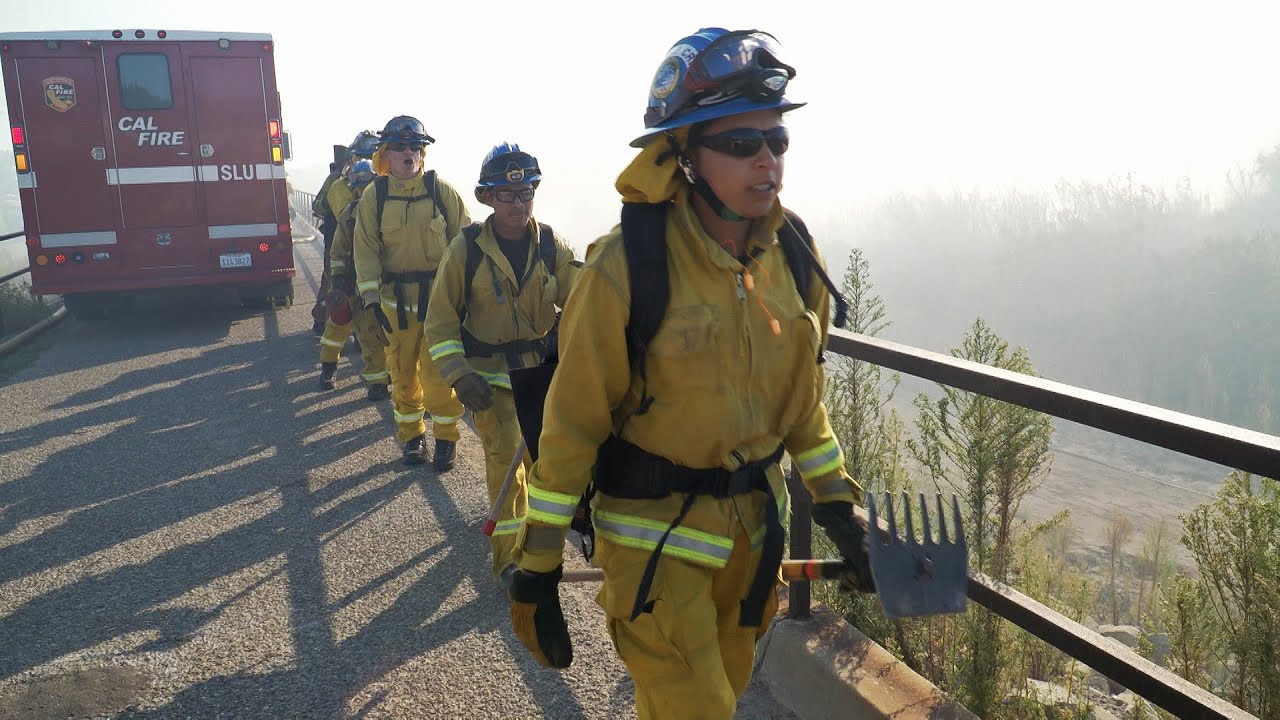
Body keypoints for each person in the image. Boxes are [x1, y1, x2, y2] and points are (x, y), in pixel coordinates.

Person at [502, 28, 875, 719]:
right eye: (741, 144)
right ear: (684, 156)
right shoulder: (622, 269)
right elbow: (571, 427)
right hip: (652, 543)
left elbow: (801, 405)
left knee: (714, 696)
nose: (767, 160)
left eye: (777, 140)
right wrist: (539, 563)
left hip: (752, 541)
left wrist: (836, 503)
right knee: (697, 710)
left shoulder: (793, 256)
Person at [424, 143, 577, 575]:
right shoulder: (465, 250)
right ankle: (511, 564)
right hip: (488, 379)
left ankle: (544, 553)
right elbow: (439, 324)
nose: (518, 202)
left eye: (527, 192)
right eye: (507, 194)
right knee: (507, 459)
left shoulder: (550, 245)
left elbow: (583, 299)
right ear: (487, 197)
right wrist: (459, 374)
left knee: (548, 468)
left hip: (542, 374)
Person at [353, 115, 470, 469]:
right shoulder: (375, 196)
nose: (409, 153)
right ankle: (413, 438)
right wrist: (371, 301)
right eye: (400, 147)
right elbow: (366, 250)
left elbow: (465, 245)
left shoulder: (442, 192)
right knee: (402, 376)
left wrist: (466, 299)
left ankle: (447, 440)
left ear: (423, 154)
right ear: (385, 155)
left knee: (438, 379)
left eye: (415, 147)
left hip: (438, 304)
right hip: (394, 306)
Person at [317, 159, 391, 399]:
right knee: (338, 325)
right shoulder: (349, 215)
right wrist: (338, 281)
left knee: (376, 333)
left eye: (366, 184)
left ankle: (381, 380)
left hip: (382, 282)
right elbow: (337, 251)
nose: (362, 190)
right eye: (358, 186)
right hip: (352, 282)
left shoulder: (388, 211)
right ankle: (329, 368)